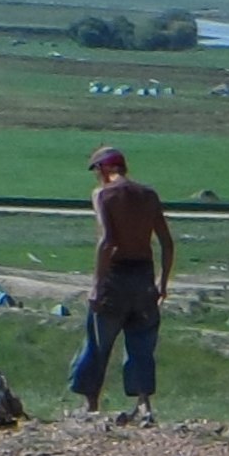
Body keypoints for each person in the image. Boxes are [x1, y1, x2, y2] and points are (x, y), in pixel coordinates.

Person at [68, 145, 174, 425]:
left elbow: (107, 241)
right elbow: (166, 242)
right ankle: (144, 405)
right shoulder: (148, 195)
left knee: (97, 343)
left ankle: (91, 406)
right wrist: (162, 282)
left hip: (115, 277)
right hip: (144, 276)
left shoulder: (103, 195)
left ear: (104, 169)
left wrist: (96, 285)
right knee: (141, 344)